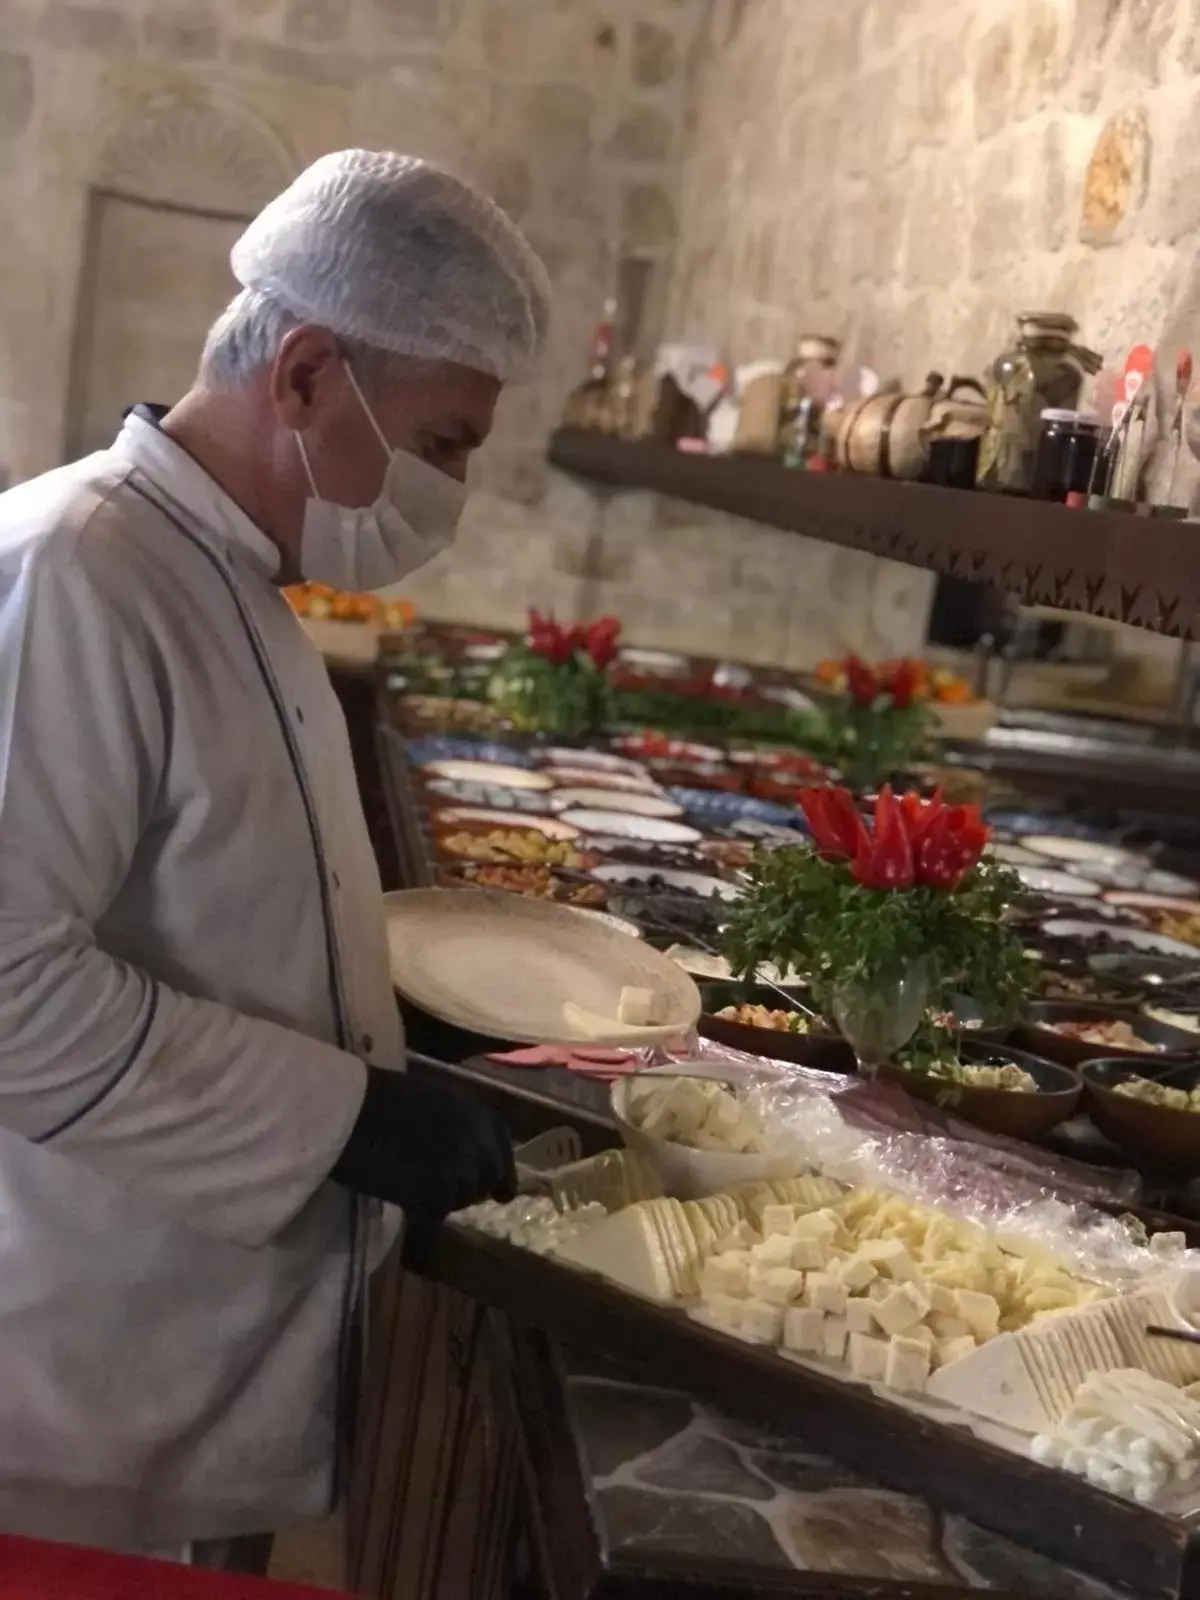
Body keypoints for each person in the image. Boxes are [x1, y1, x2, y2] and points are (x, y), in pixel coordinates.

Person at [0, 150, 550, 1570]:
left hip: (182, 1349)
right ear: (306, 374)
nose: (451, 495)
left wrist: (389, 1042)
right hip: (63, 1386)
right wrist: (345, 1119)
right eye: (445, 443)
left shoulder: (227, 572)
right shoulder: (74, 570)